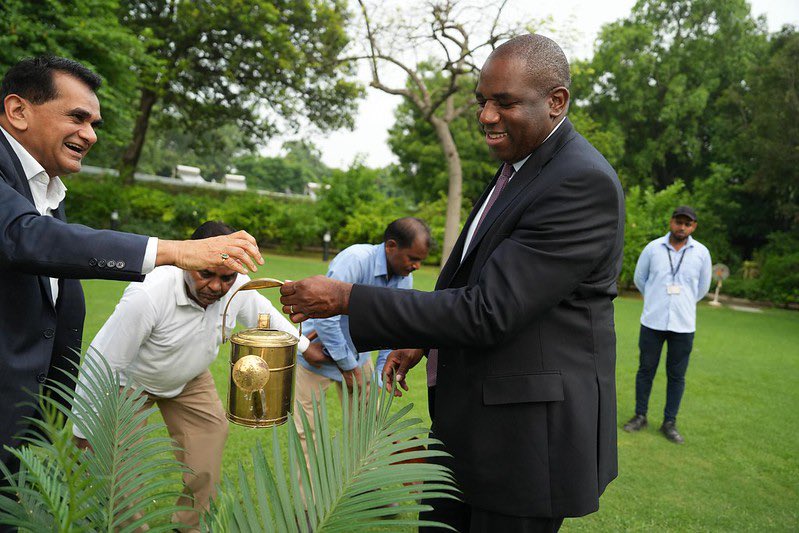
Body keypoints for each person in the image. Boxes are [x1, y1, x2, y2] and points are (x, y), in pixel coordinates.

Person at [279, 34, 624, 532]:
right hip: (472, 430)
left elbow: (489, 311)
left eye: (505, 102)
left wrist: (346, 298)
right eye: (483, 101)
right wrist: (421, 336)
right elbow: (473, 275)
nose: (486, 116)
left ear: (556, 102)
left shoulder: (579, 182)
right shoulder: (519, 165)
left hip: (523, 444)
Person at [0, 55, 263, 472]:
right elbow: (24, 237)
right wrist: (175, 251)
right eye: (77, 118)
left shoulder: (47, 186)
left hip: (27, 408)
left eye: (94, 125)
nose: (90, 135)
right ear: (18, 111)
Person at [71, 220, 323, 531]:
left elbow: (263, 311)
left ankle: (188, 526)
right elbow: (103, 360)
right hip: (130, 385)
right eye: (206, 274)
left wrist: (305, 346)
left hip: (190, 379)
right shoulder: (148, 295)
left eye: (226, 278)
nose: (217, 287)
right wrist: (83, 431)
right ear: (189, 260)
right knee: (121, 476)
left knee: (208, 450)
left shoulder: (237, 287)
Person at [292, 217, 430, 462]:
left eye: (421, 260)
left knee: (367, 435)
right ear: (391, 246)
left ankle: (369, 498)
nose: (417, 266)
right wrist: (347, 365)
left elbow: (391, 326)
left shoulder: (404, 277)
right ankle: (314, 501)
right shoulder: (355, 259)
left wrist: (380, 375)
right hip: (317, 355)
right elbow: (325, 319)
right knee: (308, 439)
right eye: (413, 258)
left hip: (358, 359)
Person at [623, 206, 712, 444]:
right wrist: (656, 298)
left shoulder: (701, 253)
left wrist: (681, 302)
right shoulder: (653, 249)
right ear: (671, 222)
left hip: (683, 325)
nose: (682, 227)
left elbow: (702, 288)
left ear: (693, 227)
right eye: (678, 222)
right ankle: (640, 415)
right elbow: (640, 279)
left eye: (687, 223)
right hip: (653, 320)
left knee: (677, 376)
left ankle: (669, 422)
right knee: (645, 370)